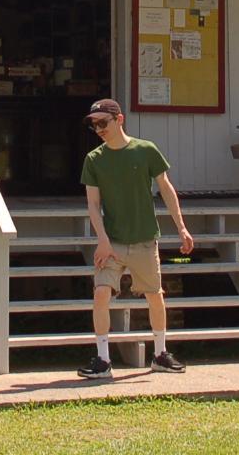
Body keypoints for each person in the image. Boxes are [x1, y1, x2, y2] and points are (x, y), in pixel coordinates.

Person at [77, 96, 194, 379]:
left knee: (155, 295)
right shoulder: (94, 159)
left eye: (103, 123)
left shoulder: (146, 150)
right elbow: (93, 204)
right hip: (113, 242)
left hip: (144, 238)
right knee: (101, 293)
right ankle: (103, 360)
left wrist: (181, 227)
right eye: (94, 125)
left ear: (119, 120)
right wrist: (102, 239)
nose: (99, 129)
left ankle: (160, 354)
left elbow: (165, 188)